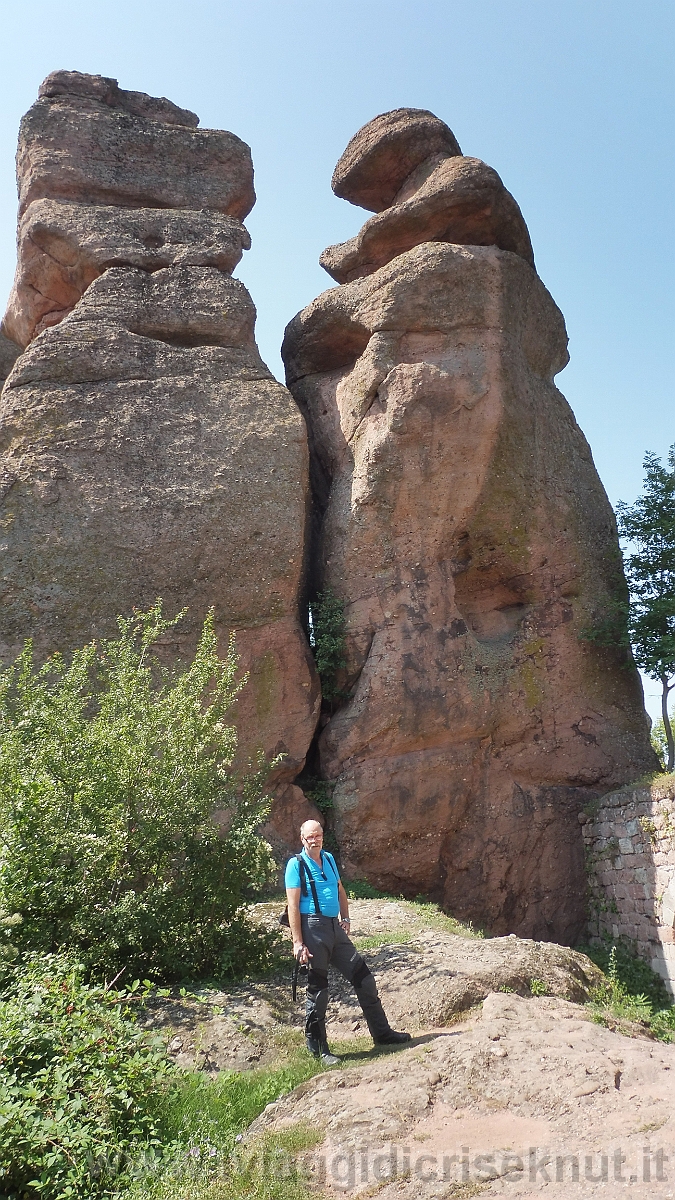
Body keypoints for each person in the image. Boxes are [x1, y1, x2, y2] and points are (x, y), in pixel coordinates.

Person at [285, 818, 411, 1064]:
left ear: (323, 836)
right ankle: (319, 1050)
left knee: (364, 979)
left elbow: (340, 889)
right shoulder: (295, 865)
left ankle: (382, 1034)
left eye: (318, 835)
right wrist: (297, 942)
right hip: (312, 929)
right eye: (310, 836)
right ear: (302, 839)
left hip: (334, 928)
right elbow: (292, 905)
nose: (314, 839)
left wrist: (347, 917)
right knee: (318, 991)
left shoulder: (329, 859)